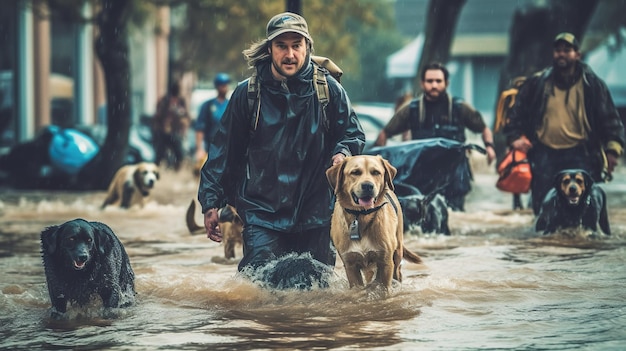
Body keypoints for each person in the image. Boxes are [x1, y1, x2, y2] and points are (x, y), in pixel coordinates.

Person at [197, 12, 365, 279]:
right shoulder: (248, 93)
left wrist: (341, 153)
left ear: (307, 47)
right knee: (258, 292)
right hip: (262, 216)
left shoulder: (328, 90)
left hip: (317, 216)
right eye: (282, 46)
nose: (290, 54)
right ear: (270, 49)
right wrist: (210, 203)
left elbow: (352, 134)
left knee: (317, 297)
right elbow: (223, 151)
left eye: (296, 45)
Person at [504, 32, 625, 215]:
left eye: (567, 50)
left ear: (577, 54)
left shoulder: (592, 85)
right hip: (544, 153)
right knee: (543, 208)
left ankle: (577, 243)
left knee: (583, 210)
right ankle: (543, 243)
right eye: (558, 50)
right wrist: (514, 139)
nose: (561, 54)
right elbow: (515, 114)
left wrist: (612, 151)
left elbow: (610, 119)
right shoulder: (537, 83)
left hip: (581, 154)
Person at [374, 62, 496, 211]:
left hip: (454, 174)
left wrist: (489, 147)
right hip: (423, 173)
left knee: (456, 216)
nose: (434, 85)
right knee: (424, 215)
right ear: (422, 83)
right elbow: (385, 133)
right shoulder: (411, 110)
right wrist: (376, 162)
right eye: (429, 81)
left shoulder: (460, 108)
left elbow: (484, 128)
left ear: (446, 83)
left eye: (438, 81)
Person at [194, 73, 232, 162]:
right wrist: (199, 149)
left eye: (226, 85)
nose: (225, 88)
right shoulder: (208, 106)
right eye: (222, 85)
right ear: (217, 87)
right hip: (211, 146)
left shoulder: (231, 104)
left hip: (227, 146)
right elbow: (200, 128)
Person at [152, 82, 190, 171]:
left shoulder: (181, 101)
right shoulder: (165, 100)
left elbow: (185, 116)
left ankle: (176, 169)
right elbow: (158, 116)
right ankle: (157, 169)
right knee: (160, 153)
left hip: (175, 132)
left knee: (179, 153)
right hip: (163, 132)